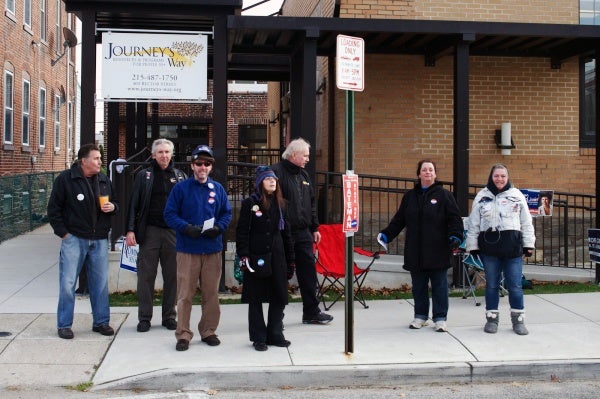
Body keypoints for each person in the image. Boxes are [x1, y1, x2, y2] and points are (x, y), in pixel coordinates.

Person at [377, 160, 463, 332]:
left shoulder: (445, 195)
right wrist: (386, 234)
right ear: (419, 174)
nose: (428, 173)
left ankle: (440, 318)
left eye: (431, 170)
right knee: (419, 286)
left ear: (435, 174)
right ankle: (420, 316)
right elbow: (399, 219)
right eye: (424, 170)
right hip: (415, 250)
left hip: (438, 249)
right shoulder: (410, 197)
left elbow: (455, 219)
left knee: (439, 285)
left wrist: (456, 236)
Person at [47, 143, 119, 339]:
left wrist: (113, 207)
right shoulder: (66, 179)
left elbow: (117, 203)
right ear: (83, 161)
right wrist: (64, 234)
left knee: (100, 284)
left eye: (100, 158)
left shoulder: (104, 179)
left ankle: (101, 322)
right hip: (74, 239)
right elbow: (53, 210)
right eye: (96, 158)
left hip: (99, 240)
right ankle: (64, 325)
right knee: (68, 282)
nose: (100, 161)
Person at [164, 144, 232, 351]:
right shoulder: (181, 188)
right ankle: (183, 334)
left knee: (211, 294)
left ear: (211, 167)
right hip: (188, 250)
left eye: (207, 164)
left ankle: (208, 330)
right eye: (199, 164)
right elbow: (169, 214)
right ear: (192, 166)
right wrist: (185, 228)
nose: (203, 167)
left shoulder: (218, 189)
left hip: (212, 249)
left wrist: (219, 227)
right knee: (185, 294)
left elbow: (226, 213)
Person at [466, 163, 535, 335]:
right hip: (490, 250)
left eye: (503, 176)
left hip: (512, 249)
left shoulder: (516, 195)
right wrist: (472, 246)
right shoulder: (481, 196)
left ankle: (518, 321)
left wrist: (528, 244)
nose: (500, 179)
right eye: (496, 176)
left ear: (507, 177)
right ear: (491, 177)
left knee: (515, 286)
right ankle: (492, 320)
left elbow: (526, 222)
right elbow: (473, 223)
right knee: (491, 286)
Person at [125, 138, 187, 333]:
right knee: (145, 277)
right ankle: (144, 318)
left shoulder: (180, 177)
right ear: (153, 155)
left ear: (172, 154)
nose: (164, 155)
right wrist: (130, 229)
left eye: (167, 152)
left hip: (173, 233)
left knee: (173, 277)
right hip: (149, 232)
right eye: (160, 152)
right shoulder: (144, 176)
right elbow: (133, 203)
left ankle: (169, 316)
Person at [271, 138, 333, 325]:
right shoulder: (275, 172)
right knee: (281, 275)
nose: (307, 159)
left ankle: (311, 312)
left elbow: (311, 203)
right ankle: (277, 317)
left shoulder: (304, 176)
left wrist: (315, 227)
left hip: (304, 233)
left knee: (308, 274)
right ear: (294, 154)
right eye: (305, 155)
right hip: (282, 233)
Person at [236, 166, 296, 351]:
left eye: (274, 179)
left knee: (278, 296)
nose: (272, 181)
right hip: (257, 257)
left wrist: (291, 260)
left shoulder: (281, 204)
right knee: (256, 299)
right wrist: (244, 255)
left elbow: (287, 234)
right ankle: (258, 337)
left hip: (278, 257)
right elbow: (242, 231)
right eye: (267, 179)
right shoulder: (250, 203)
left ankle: (275, 334)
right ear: (260, 182)